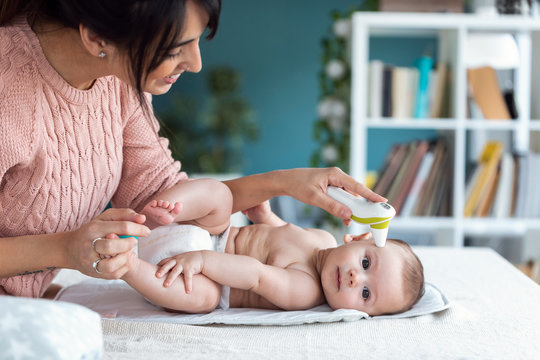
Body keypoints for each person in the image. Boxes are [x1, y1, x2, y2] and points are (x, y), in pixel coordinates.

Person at [0, 0, 386, 299]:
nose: (197, 64)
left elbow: (167, 204)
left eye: (197, 41)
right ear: (98, 38)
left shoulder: (115, 78)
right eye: (176, 48)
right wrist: (63, 249)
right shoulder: (8, 93)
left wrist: (284, 183)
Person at [124, 184, 424, 316]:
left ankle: (128, 265)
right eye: (367, 263)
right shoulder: (322, 238)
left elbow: (255, 274)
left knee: (205, 298)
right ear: (356, 239)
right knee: (220, 197)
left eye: (366, 295)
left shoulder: (305, 289)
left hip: (190, 275)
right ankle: (167, 210)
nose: (355, 279)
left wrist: (202, 260)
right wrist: (263, 217)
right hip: (205, 232)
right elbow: (282, 232)